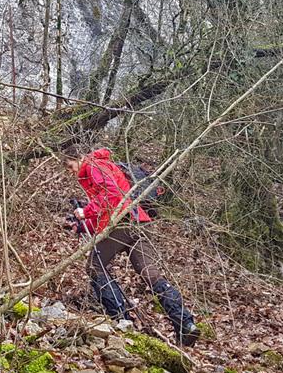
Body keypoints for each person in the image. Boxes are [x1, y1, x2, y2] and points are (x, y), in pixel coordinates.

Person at [63, 147, 200, 347]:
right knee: (150, 274)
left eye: (70, 166)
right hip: (136, 222)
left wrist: (86, 210)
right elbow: (107, 210)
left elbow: (112, 196)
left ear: (79, 158)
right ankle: (185, 324)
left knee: (94, 266)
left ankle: (121, 320)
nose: (71, 172)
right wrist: (81, 225)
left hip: (122, 223)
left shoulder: (93, 166)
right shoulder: (103, 166)